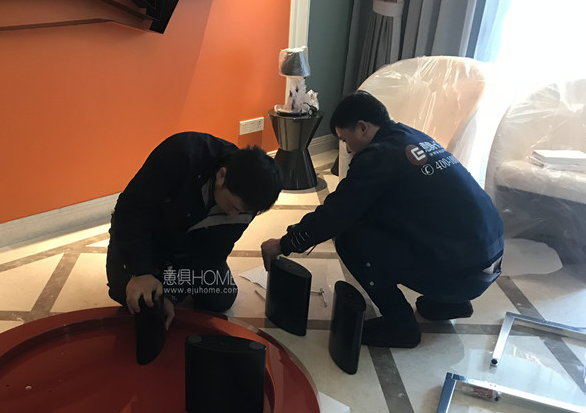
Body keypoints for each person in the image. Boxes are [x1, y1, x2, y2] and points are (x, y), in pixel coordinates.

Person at [261, 91, 504, 348]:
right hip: (487, 263)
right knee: (388, 218)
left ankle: (401, 326)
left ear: (362, 128)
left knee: (349, 238)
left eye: (345, 139)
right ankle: (447, 304)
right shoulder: (412, 137)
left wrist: (284, 243)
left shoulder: (377, 156)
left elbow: (335, 214)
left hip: (460, 276)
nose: (347, 149)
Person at [107, 131, 283, 328]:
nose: (234, 215)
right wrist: (141, 271)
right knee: (134, 297)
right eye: (233, 206)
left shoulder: (248, 202)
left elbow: (212, 254)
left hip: (190, 245)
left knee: (219, 299)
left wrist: (171, 295)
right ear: (221, 175)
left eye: (243, 212)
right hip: (149, 236)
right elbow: (131, 210)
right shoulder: (182, 154)